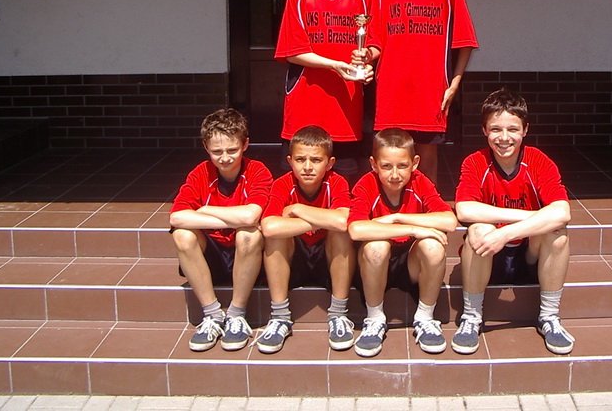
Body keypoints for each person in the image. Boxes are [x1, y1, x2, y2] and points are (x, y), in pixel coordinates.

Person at [357, 0, 478, 183]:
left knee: (427, 160)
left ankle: (425, 208)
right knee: (391, 157)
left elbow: (464, 41)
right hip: (392, 91)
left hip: (431, 89)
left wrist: (454, 85)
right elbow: (376, 42)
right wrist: (365, 55)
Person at [452, 88, 574, 355]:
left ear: (525, 130)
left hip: (529, 255)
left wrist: (506, 233)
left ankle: (549, 316)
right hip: (489, 255)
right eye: (496, 129)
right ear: (484, 130)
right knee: (479, 229)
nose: (504, 138)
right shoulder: (475, 162)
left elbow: (563, 212)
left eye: (513, 129)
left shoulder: (538, 161)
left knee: (557, 234)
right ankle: (472, 316)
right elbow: (464, 209)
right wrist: (531, 217)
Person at [347, 128, 457, 357]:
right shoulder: (367, 184)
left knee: (433, 246)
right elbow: (356, 229)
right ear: (374, 164)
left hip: (410, 264)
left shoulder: (420, 182)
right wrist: (412, 228)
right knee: (377, 246)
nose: (395, 174)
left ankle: (425, 317)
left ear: (415, 163)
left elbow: (449, 220)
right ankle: (374, 319)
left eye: (402, 166)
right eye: (386, 166)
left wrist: (398, 217)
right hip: (375, 265)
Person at [169, 108, 272, 352]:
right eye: (217, 152)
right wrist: (231, 220)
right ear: (206, 148)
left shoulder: (258, 171)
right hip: (213, 252)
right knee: (182, 235)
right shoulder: (200, 173)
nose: (225, 158)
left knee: (249, 233)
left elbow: (250, 216)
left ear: (245, 145)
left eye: (232, 150)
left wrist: (206, 211)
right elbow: (176, 217)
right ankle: (213, 314)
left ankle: (236, 314)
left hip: (246, 254)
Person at [274, 0, 373, 172]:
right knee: (302, 175)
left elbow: (374, 45)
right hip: (306, 102)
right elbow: (293, 52)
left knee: (345, 177)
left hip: (346, 105)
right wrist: (335, 65)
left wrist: (367, 60)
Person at [258, 125, 356, 353]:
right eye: (301, 160)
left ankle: (338, 314)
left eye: (316, 160)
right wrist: (323, 220)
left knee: (340, 234)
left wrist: (297, 209)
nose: (308, 167)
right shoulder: (282, 184)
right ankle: (280, 317)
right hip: (296, 256)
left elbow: (342, 221)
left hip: (326, 257)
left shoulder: (337, 182)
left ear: (330, 163)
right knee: (276, 238)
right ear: (290, 161)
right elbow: (269, 227)